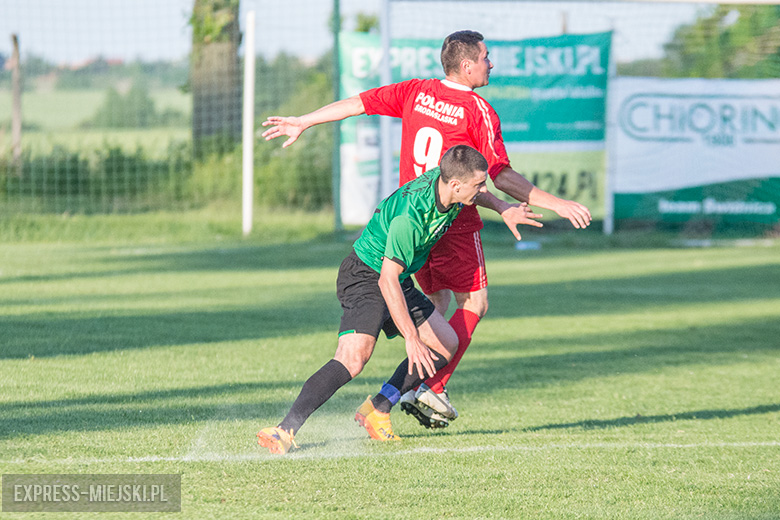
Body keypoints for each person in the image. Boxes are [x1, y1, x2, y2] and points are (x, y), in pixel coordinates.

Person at [261, 30, 591, 431]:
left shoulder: (416, 91)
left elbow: (358, 104)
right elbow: (499, 173)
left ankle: (385, 403)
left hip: (415, 223)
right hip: (449, 223)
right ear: (467, 65)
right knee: (474, 304)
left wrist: (305, 120)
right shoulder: (478, 110)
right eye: (487, 57)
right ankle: (431, 388)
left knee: (434, 308)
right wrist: (556, 203)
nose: (492, 64)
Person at [257, 145, 542, 454]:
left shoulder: (450, 185)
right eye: (479, 185)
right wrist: (411, 337)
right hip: (367, 274)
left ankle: (378, 408)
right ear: (456, 185)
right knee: (353, 359)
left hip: (396, 277)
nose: (483, 189)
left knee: (445, 343)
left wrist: (502, 206)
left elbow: (398, 276)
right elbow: (386, 279)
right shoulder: (411, 217)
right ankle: (284, 429)